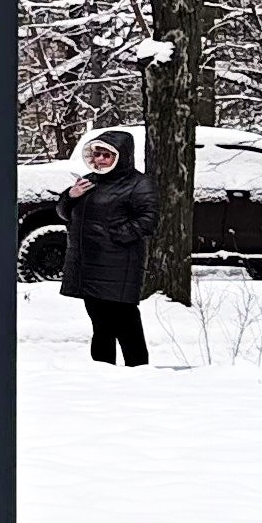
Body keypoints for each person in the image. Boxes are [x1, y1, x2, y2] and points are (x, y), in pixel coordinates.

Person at [60, 126, 155, 366]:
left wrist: (117, 235)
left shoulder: (138, 184)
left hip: (119, 266)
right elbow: (63, 212)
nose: (100, 159)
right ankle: (102, 375)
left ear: (121, 156)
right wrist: (70, 195)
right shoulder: (89, 181)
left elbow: (148, 220)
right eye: (97, 154)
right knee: (100, 325)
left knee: (126, 324)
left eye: (107, 155)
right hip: (89, 266)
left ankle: (140, 373)